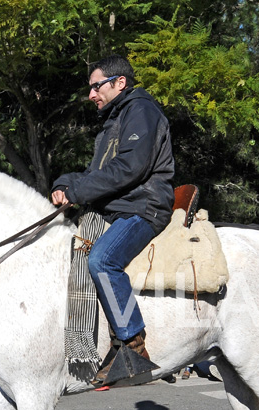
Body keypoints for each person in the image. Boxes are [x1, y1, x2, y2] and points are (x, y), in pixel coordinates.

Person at [51, 54, 174, 385]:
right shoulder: (114, 121)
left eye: (96, 86)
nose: (91, 94)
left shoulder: (142, 112)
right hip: (123, 206)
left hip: (144, 206)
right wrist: (64, 182)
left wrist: (77, 190)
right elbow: (99, 175)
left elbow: (129, 170)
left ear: (120, 83)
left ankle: (133, 345)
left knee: (102, 260)